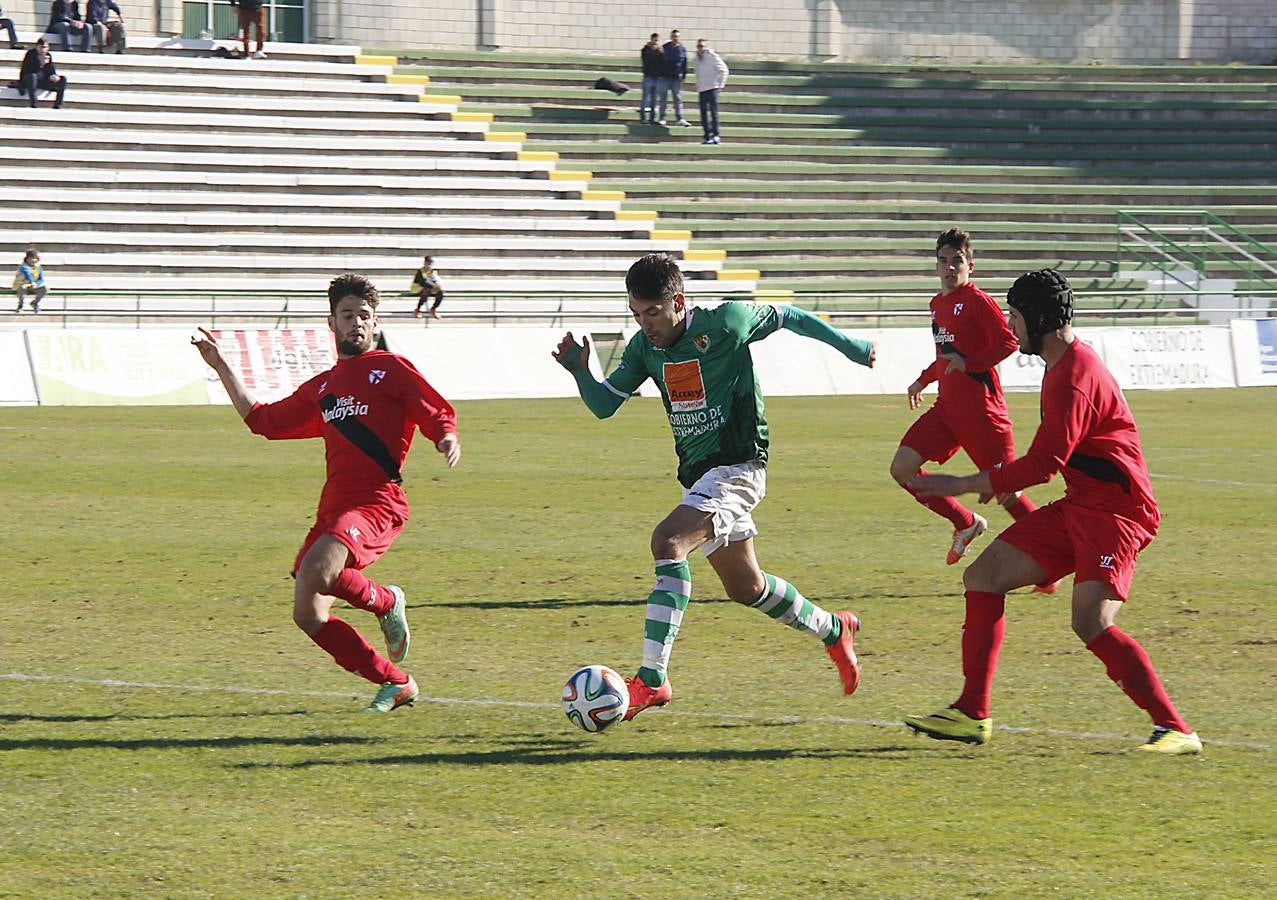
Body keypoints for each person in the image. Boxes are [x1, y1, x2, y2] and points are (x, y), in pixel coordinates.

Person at [552, 253, 878, 721]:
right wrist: (582, 372)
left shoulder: (727, 321)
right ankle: (833, 629)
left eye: (653, 313)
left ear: (679, 302)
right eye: (636, 314)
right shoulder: (646, 349)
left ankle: (652, 679)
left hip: (740, 466)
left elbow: (789, 316)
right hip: (701, 478)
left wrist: (851, 346)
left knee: (668, 542)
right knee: (747, 587)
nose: (645, 324)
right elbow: (605, 405)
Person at [903, 269, 1201, 754]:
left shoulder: (1075, 378)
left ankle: (1176, 730)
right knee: (984, 576)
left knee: (1091, 622)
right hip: (1081, 504)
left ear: (1039, 318)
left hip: (1117, 515)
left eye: (1016, 317)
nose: (1012, 327)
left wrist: (960, 482)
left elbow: (1044, 465)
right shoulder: (1062, 366)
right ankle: (972, 712)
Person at [190, 273, 462, 713]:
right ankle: (395, 683)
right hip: (334, 510)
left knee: (319, 569)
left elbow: (431, 407)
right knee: (308, 613)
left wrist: (445, 435)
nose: (356, 322)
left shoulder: (390, 368)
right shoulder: (324, 387)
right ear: (331, 323)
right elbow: (262, 420)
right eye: (347, 315)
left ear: (374, 325)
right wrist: (222, 367)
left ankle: (387, 600)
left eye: (364, 316)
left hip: (377, 502)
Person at [890, 228, 1048, 578]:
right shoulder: (937, 304)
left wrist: (972, 364)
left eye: (957, 261)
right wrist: (924, 379)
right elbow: (947, 355)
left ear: (970, 265)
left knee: (1007, 492)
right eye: (943, 261)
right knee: (901, 468)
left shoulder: (977, 300)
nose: (950, 268)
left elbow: (1009, 341)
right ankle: (965, 522)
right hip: (947, 412)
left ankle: (1051, 555)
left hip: (982, 415)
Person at [694, 38, 728, 145]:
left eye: (703, 46)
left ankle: (716, 135)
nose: (701, 48)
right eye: (699, 46)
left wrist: (720, 85)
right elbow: (697, 73)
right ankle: (706, 135)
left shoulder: (712, 57)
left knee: (713, 113)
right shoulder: (696, 59)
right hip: (702, 89)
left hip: (713, 88)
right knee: (703, 114)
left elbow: (724, 70)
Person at [18, 40, 67, 110]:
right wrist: (40, 64)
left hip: (43, 81)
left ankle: (58, 104)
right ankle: (33, 103)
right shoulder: (30, 54)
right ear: (37, 47)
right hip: (30, 80)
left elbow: (51, 70)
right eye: (41, 47)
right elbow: (26, 71)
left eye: (45, 47)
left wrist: (54, 76)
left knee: (63, 79)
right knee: (33, 77)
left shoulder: (48, 55)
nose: (43, 50)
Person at [656, 28, 689, 127]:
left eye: (677, 37)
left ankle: (680, 118)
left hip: (676, 78)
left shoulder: (682, 49)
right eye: (674, 36)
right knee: (663, 98)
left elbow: (684, 64)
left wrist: (683, 76)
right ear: (671, 37)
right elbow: (659, 61)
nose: (675, 38)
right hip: (664, 77)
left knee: (677, 99)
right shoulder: (665, 47)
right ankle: (662, 118)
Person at [638, 32, 662, 125]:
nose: (655, 42)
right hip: (648, 77)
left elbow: (663, 62)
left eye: (657, 40)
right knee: (645, 98)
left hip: (657, 78)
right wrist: (651, 50)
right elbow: (646, 60)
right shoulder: (646, 50)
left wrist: (660, 52)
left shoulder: (660, 51)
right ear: (651, 40)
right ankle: (643, 118)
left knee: (654, 100)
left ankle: (652, 118)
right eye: (654, 40)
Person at [13, 248, 46, 312]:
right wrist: (32, 282)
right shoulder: (23, 266)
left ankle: (35, 303)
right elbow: (28, 274)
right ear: (27, 259)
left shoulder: (38, 267)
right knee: (22, 288)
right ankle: (21, 304)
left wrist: (37, 284)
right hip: (22, 284)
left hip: (33, 286)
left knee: (44, 289)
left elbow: (41, 278)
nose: (33, 260)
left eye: (35, 258)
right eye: (31, 258)